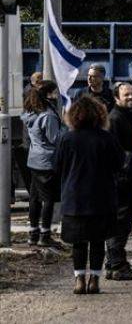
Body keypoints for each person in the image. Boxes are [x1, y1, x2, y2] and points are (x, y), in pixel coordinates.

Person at [55, 96, 122, 295]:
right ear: (99, 115)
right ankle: (94, 279)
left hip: (74, 198)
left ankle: (79, 279)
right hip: (102, 197)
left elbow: (56, 166)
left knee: (79, 242)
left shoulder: (67, 138)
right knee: (98, 241)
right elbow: (119, 165)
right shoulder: (106, 138)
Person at [103, 83, 132, 280]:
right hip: (121, 180)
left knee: (124, 223)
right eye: (126, 94)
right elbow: (114, 151)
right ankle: (118, 264)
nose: (131, 97)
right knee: (120, 223)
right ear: (116, 98)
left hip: (129, 178)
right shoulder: (115, 119)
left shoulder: (129, 116)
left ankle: (113, 263)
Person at [21, 80, 65, 248]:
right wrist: (66, 129)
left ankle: (33, 233)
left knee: (34, 198)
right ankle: (45, 235)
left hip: (34, 159)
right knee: (48, 199)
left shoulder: (31, 112)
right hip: (47, 161)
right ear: (48, 94)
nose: (56, 95)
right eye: (54, 92)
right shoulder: (47, 115)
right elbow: (55, 138)